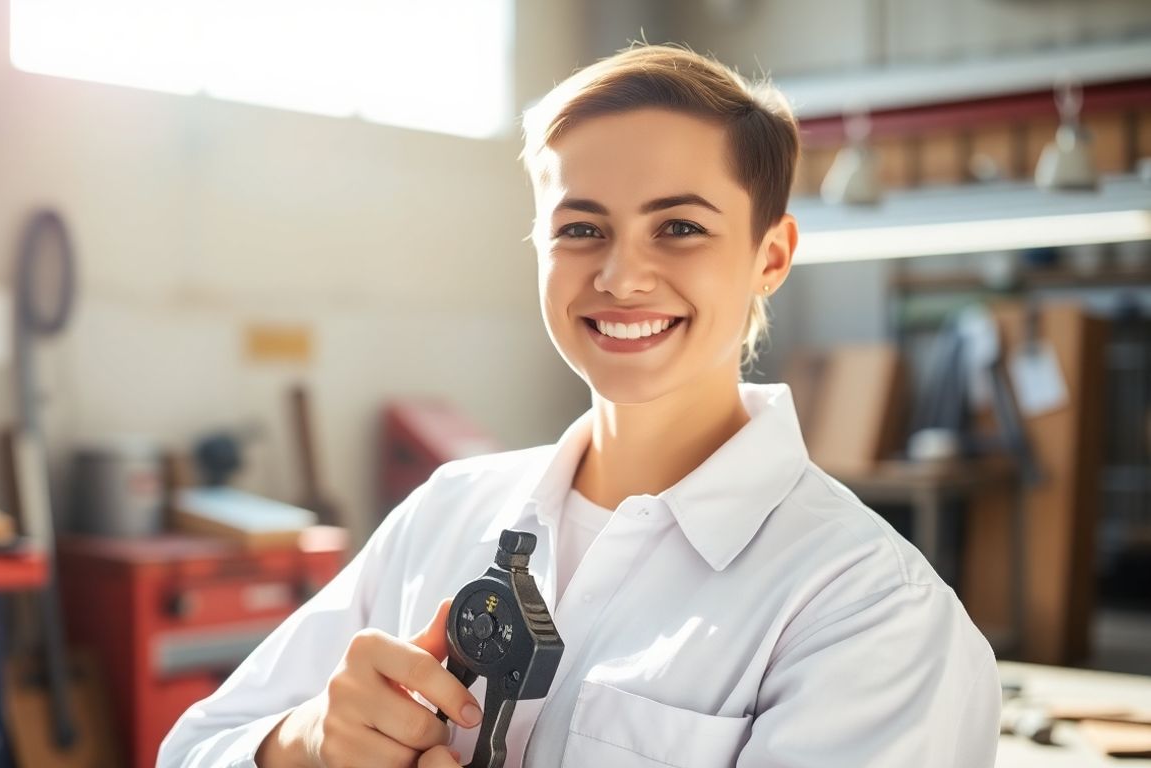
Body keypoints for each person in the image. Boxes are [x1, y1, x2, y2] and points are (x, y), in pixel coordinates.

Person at [158, 44, 1001, 768]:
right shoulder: (444, 516)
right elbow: (192, 748)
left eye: (678, 228)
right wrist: (305, 742)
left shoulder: (864, 611)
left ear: (770, 255)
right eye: (580, 229)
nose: (621, 277)